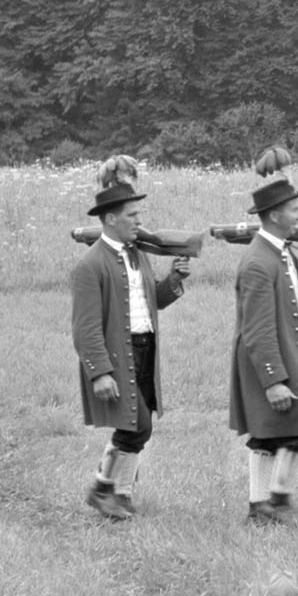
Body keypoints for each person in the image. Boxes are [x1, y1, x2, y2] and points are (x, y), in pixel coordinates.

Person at [71, 157, 190, 520]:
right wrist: (100, 372)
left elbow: (150, 301)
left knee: (136, 425)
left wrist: (173, 280)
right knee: (138, 425)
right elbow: (85, 327)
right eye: (132, 215)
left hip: (144, 349)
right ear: (110, 219)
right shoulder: (90, 265)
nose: (139, 221)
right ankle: (101, 488)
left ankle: (120, 496)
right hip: (116, 356)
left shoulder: (138, 256)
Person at [228, 156, 298, 527]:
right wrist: (273, 380)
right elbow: (255, 328)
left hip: (282, 353)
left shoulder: (281, 251)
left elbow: (291, 301)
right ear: (274, 215)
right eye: (294, 209)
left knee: (269, 435)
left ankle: (259, 509)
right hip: (267, 359)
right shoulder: (258, 262)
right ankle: (278, 503)